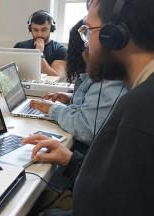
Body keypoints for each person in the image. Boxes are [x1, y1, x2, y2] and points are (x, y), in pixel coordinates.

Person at [23, 0, 154, 215]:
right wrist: (71, 160)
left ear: (113, 36)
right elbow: (121, 183)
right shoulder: (141, 95)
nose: (85, 44)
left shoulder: (141, 109)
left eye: (88, 30)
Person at [29, 19, 127, 146]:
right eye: (35, 29)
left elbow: (86, 129)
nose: (86, 44)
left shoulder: (108, 80)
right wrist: (71, 98)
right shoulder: (98, 77)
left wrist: (52, 108)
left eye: (88, 33)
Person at [14, 10, 67, 78]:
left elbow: (56, 77)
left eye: (44, 30)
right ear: (30, 29)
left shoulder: (60, 50)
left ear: (51, 29)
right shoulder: (20, 46)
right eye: (35, 30)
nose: (39, 34)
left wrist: (39, 54)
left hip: (46, 89)